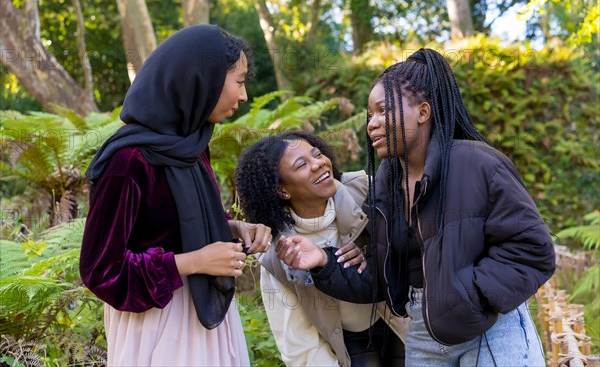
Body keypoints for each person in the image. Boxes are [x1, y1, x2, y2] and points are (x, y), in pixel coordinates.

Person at [275, 49, 555, 366]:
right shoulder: (386, 183)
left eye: (383, 111)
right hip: (422, 333)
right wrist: (323, 261)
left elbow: (533, 248)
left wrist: (469, 297)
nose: (372, 124)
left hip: (491, 331)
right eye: (370, 115)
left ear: (423, 112)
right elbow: (380, 281)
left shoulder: (477, 163)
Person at [79, 25, 272, 366]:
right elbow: (101, 270)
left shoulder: (191, 146)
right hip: (154, 323)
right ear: (202, 79)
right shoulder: (129, 161)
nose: (243, 96)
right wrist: (192, 262)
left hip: (204, 309)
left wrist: (231, 228)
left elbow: (178, 222)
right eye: (239, 81)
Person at [234, 131, 406, 367]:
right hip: (345, 344)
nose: (319, 163)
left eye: (317, 154)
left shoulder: (366, 190)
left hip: (401, 321)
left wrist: (371, 254)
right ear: (282, 190)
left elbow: (412, 249)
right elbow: (299, 346)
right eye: (302, 165)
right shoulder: (279, 256)